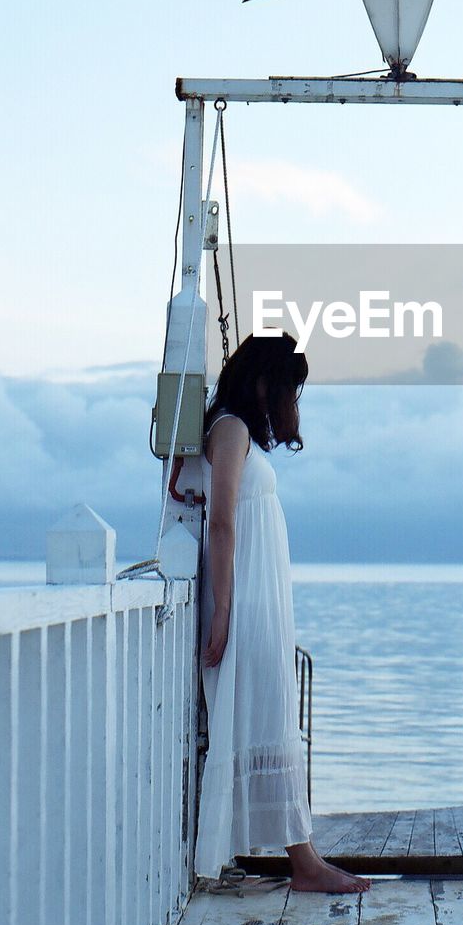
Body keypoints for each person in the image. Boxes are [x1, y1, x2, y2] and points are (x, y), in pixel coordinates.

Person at [170, 331, 371, 894]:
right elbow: (224, 520)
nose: (289, 403)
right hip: (245, 599)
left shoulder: (235, 430)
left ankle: (297, 856)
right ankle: (304, 863)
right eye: (285, 389)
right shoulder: (230, 428)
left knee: (269, 715)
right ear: (260, 381)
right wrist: (223, 613)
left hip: (258, 597)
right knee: (265, 715)